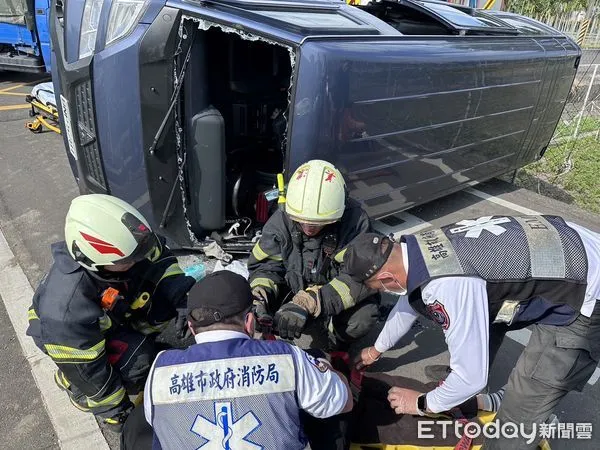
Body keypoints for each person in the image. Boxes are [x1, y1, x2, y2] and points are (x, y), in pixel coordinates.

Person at [344, 215, 600, 450]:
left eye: (374, 286)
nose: (377, 292)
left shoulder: (447, 285)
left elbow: (471, 377)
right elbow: (408, 302)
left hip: (586, 292)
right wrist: (376, 349)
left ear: (388, 278)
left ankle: (524, 420)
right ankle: (475, 397)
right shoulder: (415, 249)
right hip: (568, 244)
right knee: (479, 320)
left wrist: (421, 404)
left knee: (525, 400)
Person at [129, 270, 353, 450]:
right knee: (321, 398)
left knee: (137, 423)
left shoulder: (161, 368)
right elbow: (344, 402)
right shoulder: (286, 357)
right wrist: (328, 369)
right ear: (249, 322)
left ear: (191, 326)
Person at [26, 194, 195, 429]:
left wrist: (180, 295)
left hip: (112, 314)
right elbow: (88, 368)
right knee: (137, 361)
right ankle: (74, 386)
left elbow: (160, 260)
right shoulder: (67, 309)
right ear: (93, 260)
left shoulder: (131, 243)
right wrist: (115, 410)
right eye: (128, 260)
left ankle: (136, 342)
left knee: (161, 307)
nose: (138, 261)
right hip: (74, 347)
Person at [247, 159, 380, 350]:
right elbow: (266, 266)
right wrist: (260, 295)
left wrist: (311, 300)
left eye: (318, 223)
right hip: (293, 290)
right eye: (301, 221)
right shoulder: (281, 221)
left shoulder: (355, 223)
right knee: (254, 308)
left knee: (363, 317)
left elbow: (360, 278)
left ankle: (335, 344)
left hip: (330, 295)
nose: (309, 228)